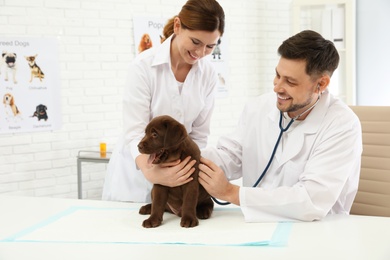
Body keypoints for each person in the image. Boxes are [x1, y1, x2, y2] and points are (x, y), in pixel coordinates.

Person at [199, 30, 363, 222]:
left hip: (316, 231)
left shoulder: (342, 125)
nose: (277, 87)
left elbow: (310, 200)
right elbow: (230, 155)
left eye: (290, 82)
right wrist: (185, 157)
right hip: (255, 227)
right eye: (278, 75)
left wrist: (229, 192)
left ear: (321, 84)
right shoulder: (258, 107)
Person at [102, 0, 225, 202]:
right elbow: (135, 132)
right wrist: (151, 172)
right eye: (195, 42)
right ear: (177, 26)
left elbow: (200, 135)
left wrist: (185, 173)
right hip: (136, 178)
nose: (200, 53)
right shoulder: (143, 67)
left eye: (210, 46)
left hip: (178, 180)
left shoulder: (208, 75)